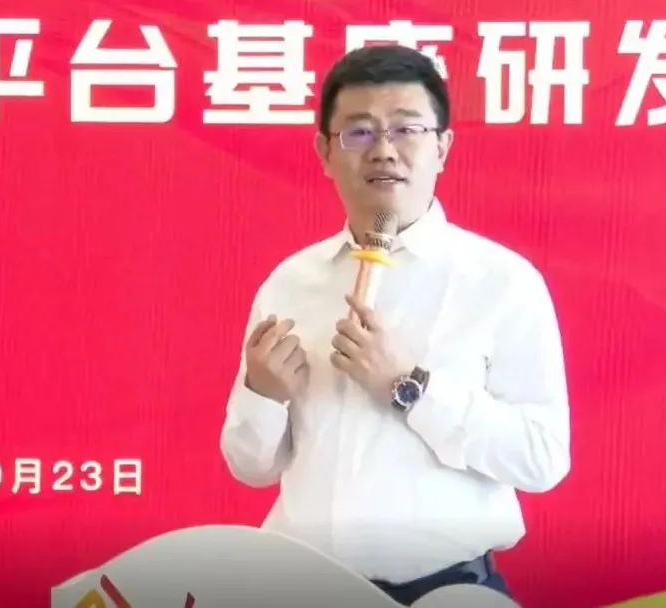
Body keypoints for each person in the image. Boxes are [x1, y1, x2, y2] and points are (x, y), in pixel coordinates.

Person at [219, 45, 571, 606]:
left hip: (448, 592)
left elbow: (541, 457)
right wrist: (263, 396)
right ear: (324, 152)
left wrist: (410, 385)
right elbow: (251, 467)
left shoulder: (501, 281)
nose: (383, 150)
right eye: (358, 133)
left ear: (442, 147)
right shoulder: (290, 283)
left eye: (406, 129)